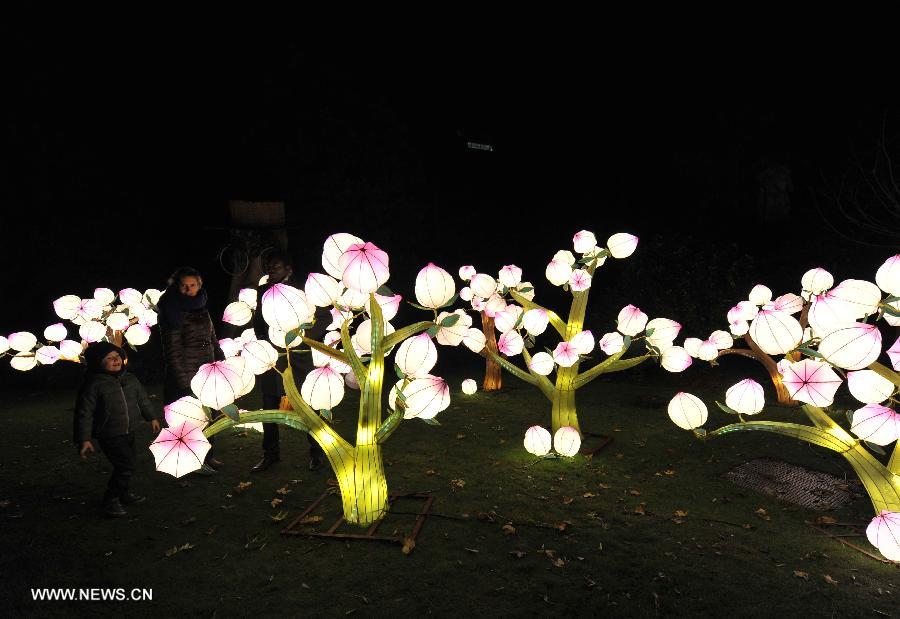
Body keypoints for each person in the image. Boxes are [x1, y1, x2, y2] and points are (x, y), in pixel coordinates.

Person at [250, 250, 325, 473]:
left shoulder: (302, 291)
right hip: (274, 357)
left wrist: (303, 337)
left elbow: (323, 317)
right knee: (269, 405)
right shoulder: (263, 290)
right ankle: (270, 454)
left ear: (288, 270)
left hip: (299, 357)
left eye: (276, 267)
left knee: (309, 405)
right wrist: (265, 341)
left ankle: (317, 452)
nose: (271, 270)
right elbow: (259, 322)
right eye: (269, 267)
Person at [74, 342, 161, 517]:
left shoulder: (130, 379)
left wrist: (151, 417)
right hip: (110, 434)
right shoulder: (94, 384)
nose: (116, 360)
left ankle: (123, 494)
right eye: (109, 358)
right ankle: (110, 500)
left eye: (118, 356)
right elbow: (85, 412)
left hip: (129, 431)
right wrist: (84, 438)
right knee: (126, 465)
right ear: (98, 362)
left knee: (128, 464)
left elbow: (142, 399)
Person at [157, 266, 223, 474]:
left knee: (208, 415)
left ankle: (207, 456)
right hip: (186, 372)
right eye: (184, 286)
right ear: (177, 286)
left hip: (206, 369)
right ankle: (194, 462)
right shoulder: (172, 309)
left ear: (199, 285)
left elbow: (212, 337)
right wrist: (183, 381)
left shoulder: (200, 305)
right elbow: (173, 350)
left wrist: (220, 358)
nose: (188, 289)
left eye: (192, 285)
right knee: (190, 418)